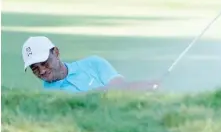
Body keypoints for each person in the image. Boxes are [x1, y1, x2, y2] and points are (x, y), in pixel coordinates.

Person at [22, 36, 160, 93]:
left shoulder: (94, 63)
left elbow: (120, 87)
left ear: (56, 53)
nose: (42, 71)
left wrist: (145, 86)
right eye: (35, 69)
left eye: (44, 63)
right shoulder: (50, 95)